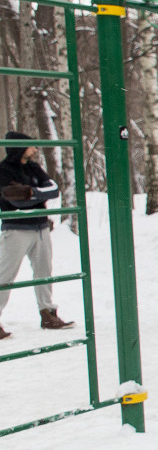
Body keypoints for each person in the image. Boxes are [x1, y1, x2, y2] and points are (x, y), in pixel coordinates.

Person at [0, 131, 75, 339]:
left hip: (41, 227)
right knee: (5, 275)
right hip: (15, 229)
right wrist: (34, 195)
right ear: (19, 147)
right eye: (31, 146)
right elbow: (16, 201)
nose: (35, 149)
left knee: (44, 271)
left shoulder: (34, 167)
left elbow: (54, 189)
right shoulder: (3, 170)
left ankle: (48, 314)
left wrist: (31, 193)